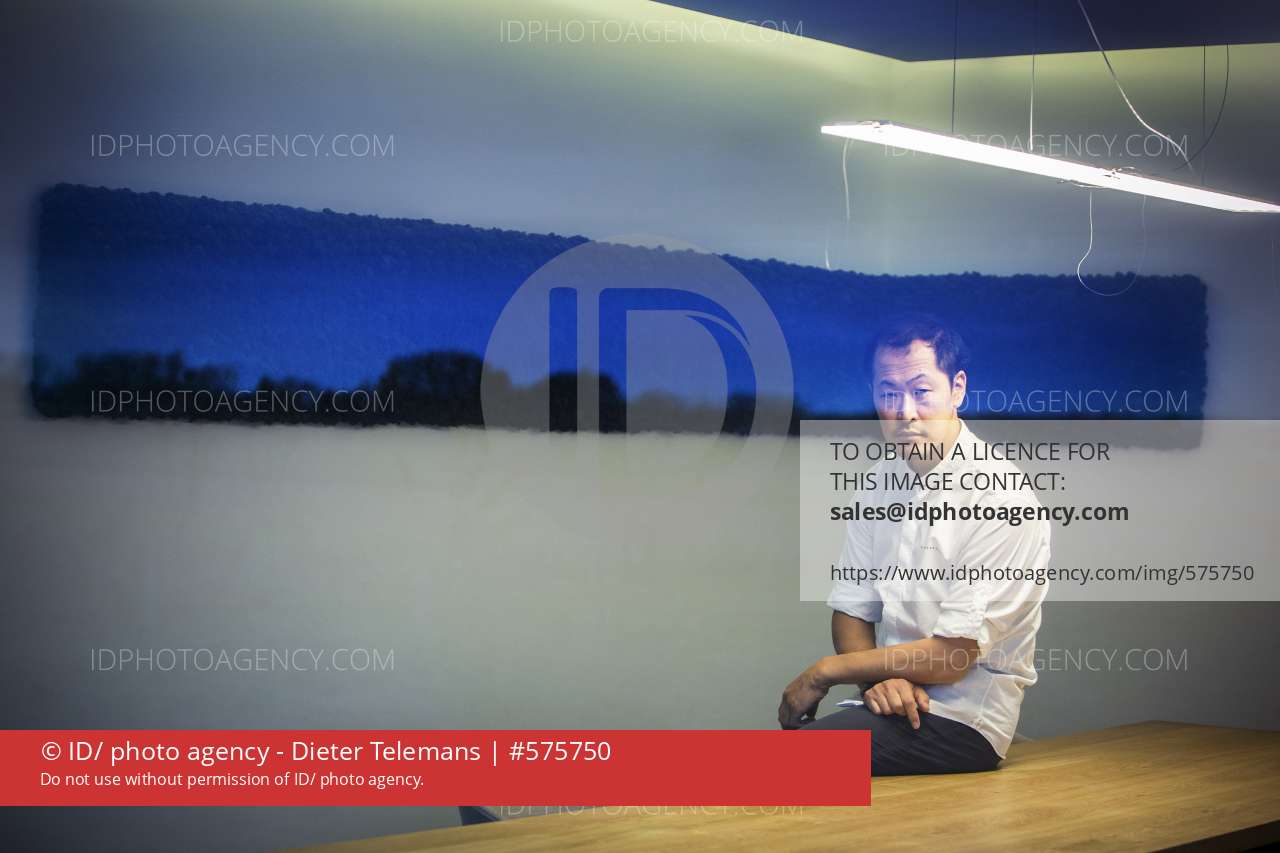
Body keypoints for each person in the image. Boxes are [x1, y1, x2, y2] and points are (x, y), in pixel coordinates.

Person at [778, 315, 1050, 775]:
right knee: (763, 769)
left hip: (963, 720)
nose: (905, 412)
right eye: (889, 393)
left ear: (957, 389)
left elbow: (952, 656)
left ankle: (636, 779)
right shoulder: (879, 482)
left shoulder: (1001, 499)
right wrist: (876, 682)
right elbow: (851, 611)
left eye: (921, 391)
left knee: (769, 765)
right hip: (889, 703)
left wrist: (824, 671)